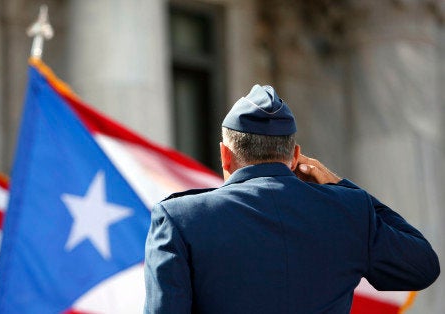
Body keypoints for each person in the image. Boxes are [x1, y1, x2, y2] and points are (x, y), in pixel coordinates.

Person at [143, 85, 440, 313]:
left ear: (225, 154)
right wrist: (342, 188)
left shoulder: (179, 219)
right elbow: (422, 267)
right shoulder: (348, 211)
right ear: (296, 155)